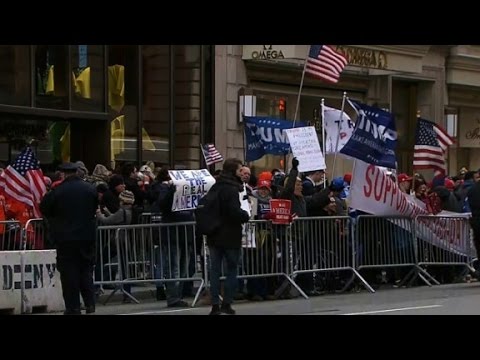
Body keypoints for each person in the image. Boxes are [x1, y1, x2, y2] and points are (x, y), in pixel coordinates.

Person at [40, 162, 98, 315]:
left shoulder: (58, 191)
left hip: (66, 237)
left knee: (69, 273)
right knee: (86, 270)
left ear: (63, 174)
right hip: (86, 236)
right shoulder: (90, 189)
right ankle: (90, 303)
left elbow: (45, 207)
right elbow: (93, 208)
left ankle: (73, 307)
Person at [205, 158, 250, 315]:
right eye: (239, 171)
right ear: (233, 172)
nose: (241, 173)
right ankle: (226, 303)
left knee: (215, 271)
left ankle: (215, 305)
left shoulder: (216, 186)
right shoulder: (231, 189)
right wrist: (245, 215)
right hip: (229, 235)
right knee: (231, 270)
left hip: (214, 234)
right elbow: (233, 212)